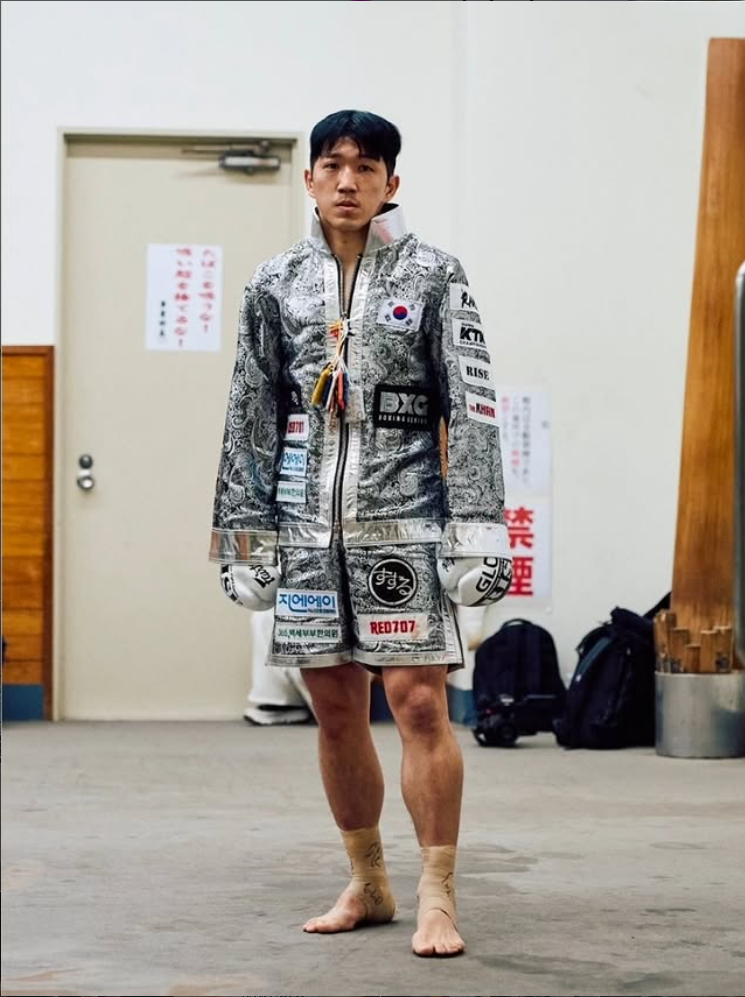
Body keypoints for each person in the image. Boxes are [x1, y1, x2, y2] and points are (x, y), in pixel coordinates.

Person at [210, 109, 512, 957]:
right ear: (309, 177)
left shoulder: (435, 274)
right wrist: (243, 538)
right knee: (335, 710)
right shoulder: (274, 283)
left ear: (390, 183)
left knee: (417, 703)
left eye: (366, 167)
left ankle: (437, 892)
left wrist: (477, 531)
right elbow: (248, 414)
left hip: (405, 528)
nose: (347, 181)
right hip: (306, 535)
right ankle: (368, 880)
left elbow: (472, 407)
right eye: (333, 165)